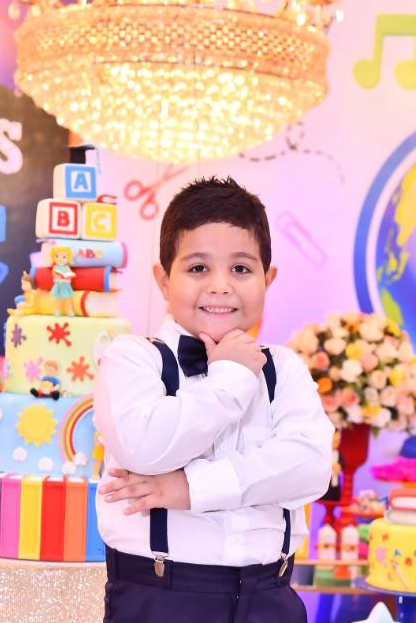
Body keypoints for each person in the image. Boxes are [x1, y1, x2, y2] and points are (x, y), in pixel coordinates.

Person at [93, 176, 333, 623]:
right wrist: (232, 377)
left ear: (268, 279)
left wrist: (188, 488)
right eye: (198, 268)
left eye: (241, 269)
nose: (221, 285)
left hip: (271, 596)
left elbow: (310, 466)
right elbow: (145, 448)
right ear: (164, 280)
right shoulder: (132, 358)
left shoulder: (284, 368)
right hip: (160, 597)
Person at [50, 245, 75, 316]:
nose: (60, 259)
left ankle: (69, 311)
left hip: (66, 285)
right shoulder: (55, 267)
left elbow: (69, 273)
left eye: (64, 257)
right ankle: (57, 311)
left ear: (68, 258)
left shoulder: (67, 267)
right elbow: (54, 274)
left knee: (68, 299)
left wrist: (68, 275)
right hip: (58, 285)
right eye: (57, 256)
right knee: (58, 299)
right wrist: (58, 276)